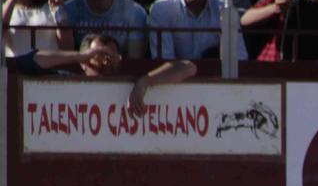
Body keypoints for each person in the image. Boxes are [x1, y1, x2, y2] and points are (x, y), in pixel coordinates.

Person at [12, 33, 196, 115]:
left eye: (112, 56)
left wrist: (144, 83)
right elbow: (28, 61)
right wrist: (82, 56)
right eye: (100, 56)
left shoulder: (129, 85)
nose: (107, 61)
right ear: (83, 63)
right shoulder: (68, 81)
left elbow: (188, 67)